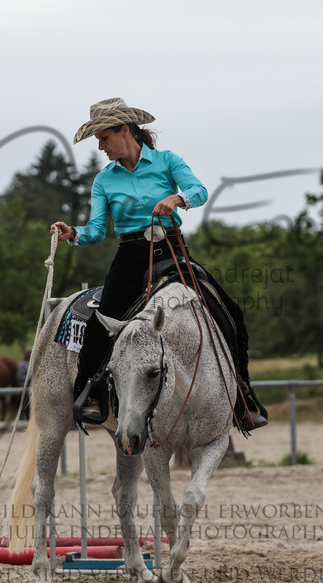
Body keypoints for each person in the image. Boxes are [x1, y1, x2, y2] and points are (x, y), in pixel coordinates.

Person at [51, 97, 267, 431]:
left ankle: (242, 396)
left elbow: (200, 189)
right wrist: (73, 233)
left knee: (230, 312)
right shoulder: (104, 180)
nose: (100, 146)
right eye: (97, 140)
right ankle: (91, 393)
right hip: (130, 254)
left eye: (104, 137)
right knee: (102, 319)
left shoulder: (167, 161)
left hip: (172, 248)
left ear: (125, 130)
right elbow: (95, 230)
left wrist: (178, 198)